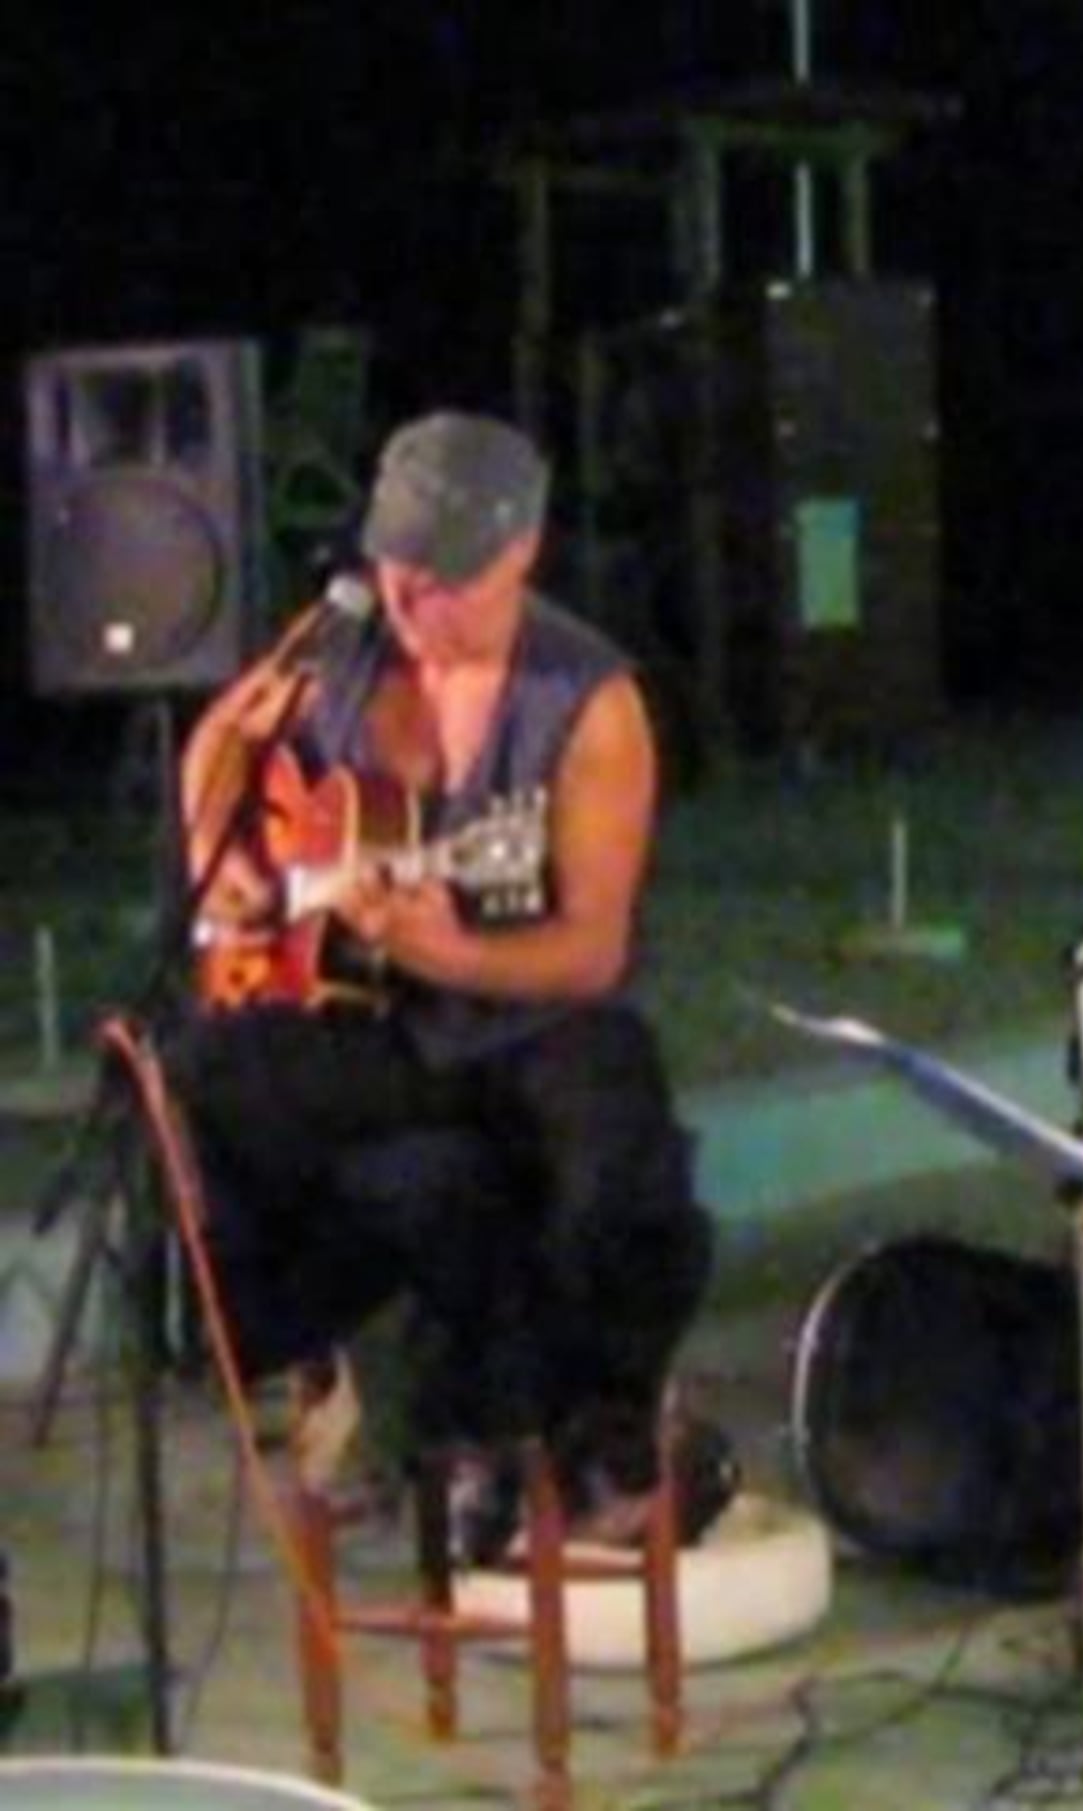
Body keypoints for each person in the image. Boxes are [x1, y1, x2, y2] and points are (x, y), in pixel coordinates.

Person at [168, 410, 716, 1550]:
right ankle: (299, 1349)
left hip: (532, 1018)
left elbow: (592, 950)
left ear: (522, 550)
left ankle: (583, 1432)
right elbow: (219, 740)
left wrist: (443, 951)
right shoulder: (344, 637)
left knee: (613, 1130)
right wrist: (229, 859)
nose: (413, 599)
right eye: (398, 566)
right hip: (381, 1017)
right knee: (208, 1073)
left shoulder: (590, 704)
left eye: (445, 577)